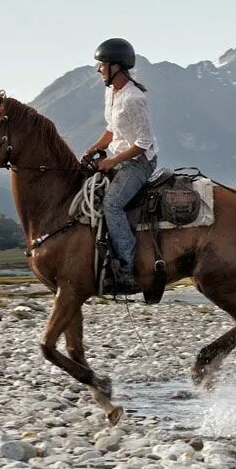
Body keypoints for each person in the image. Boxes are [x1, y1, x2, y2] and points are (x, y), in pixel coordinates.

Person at [81, 39, 158, 294]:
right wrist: (93, 149)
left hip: (139, 162)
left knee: (112, 204)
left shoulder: (134, 99)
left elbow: (143, 143)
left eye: (101, 65)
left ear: (116, 66)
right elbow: (112, 130)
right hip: (118, 155)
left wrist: (113, 160)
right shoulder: (111, 92)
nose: (98, 69)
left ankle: (126, 267)